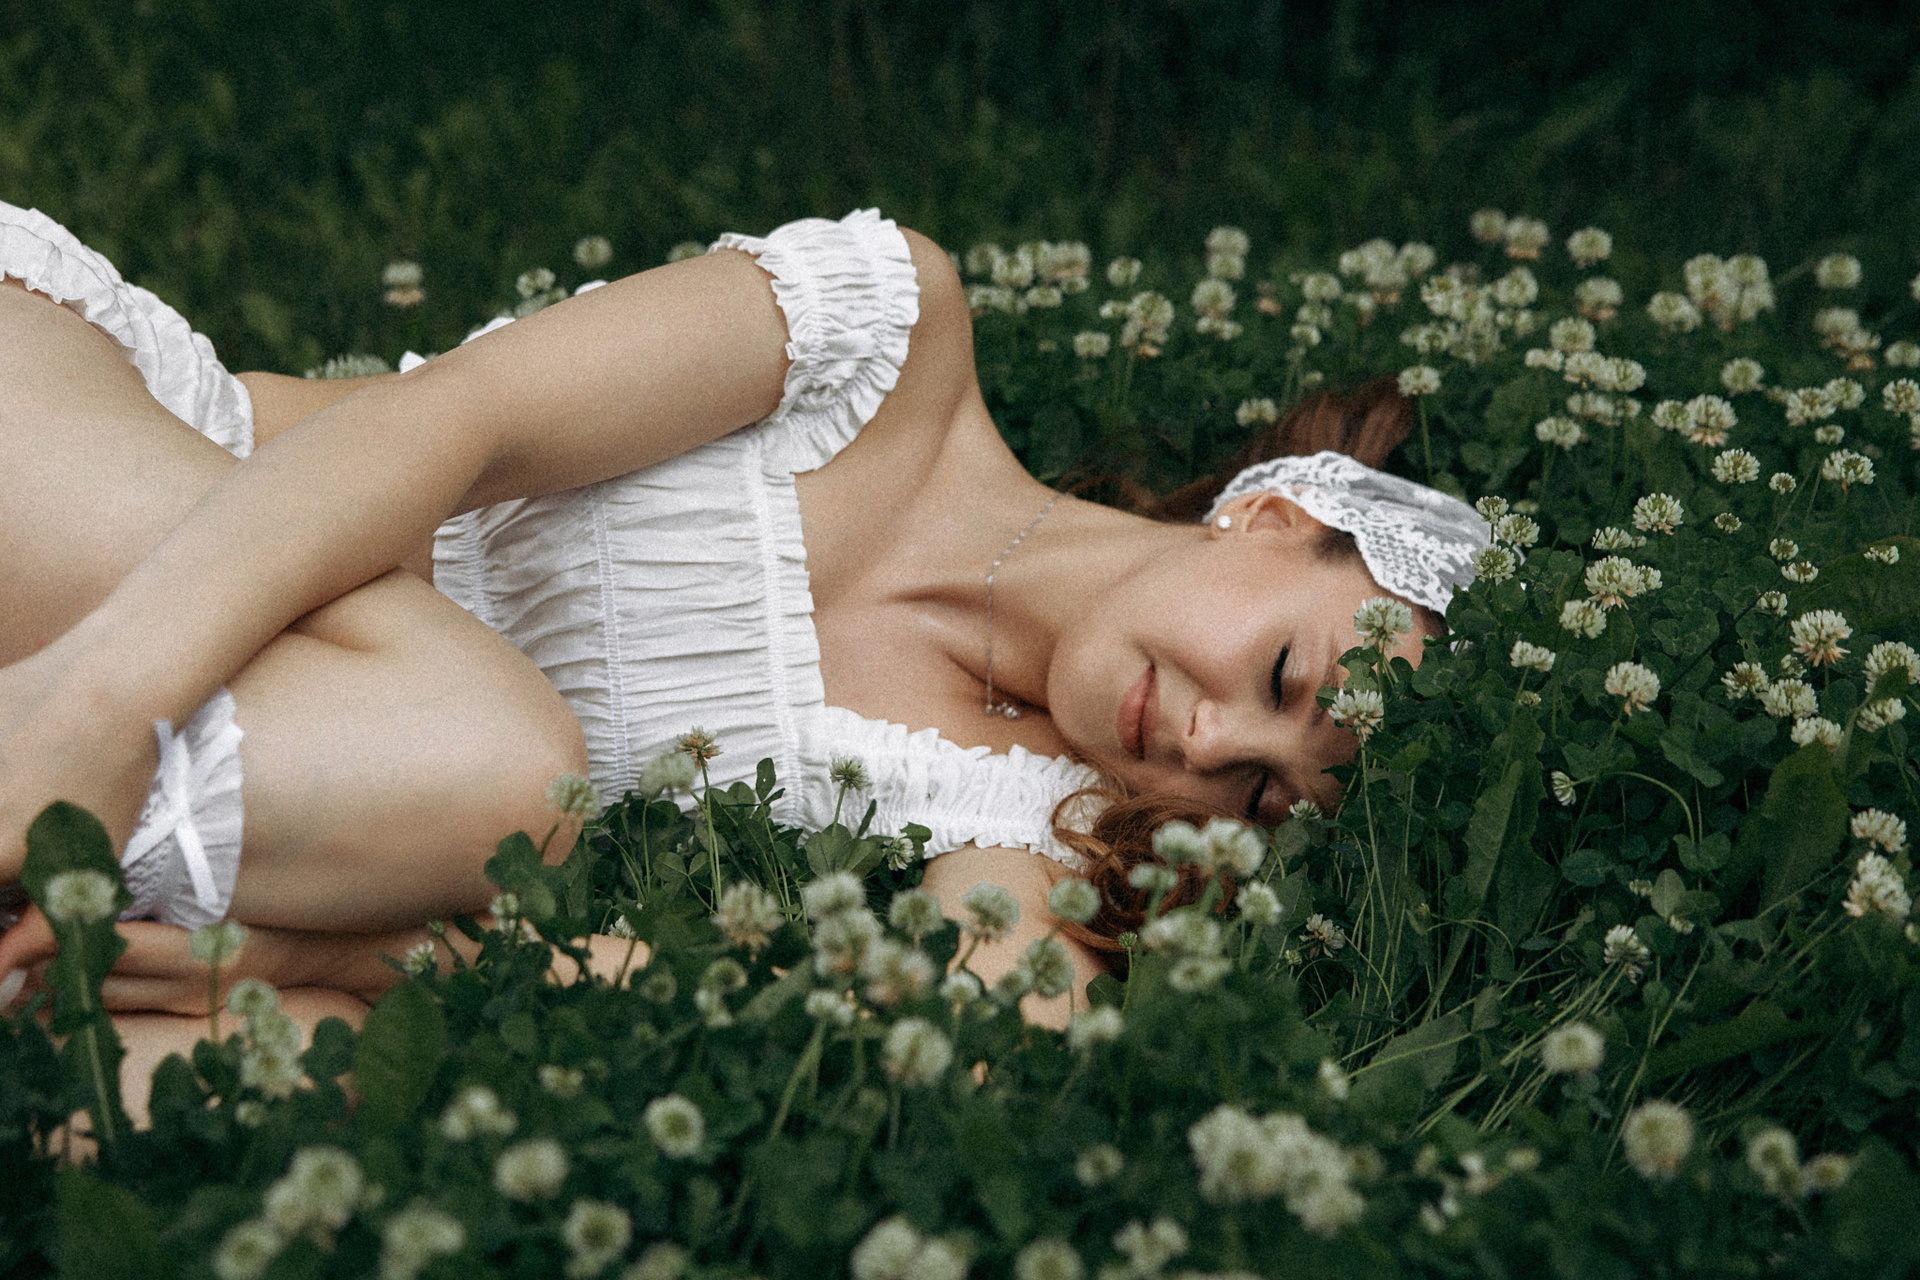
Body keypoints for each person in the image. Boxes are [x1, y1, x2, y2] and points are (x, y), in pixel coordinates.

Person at [0, 203, 1484, 1109]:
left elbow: (962, 1058)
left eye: (1267, 794)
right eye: (1284, 683)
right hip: (140, 484)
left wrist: (340, 954)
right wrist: (101, 707)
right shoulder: (887, 343)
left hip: (304, 791)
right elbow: (446, 423)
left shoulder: (1030, 830)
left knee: (259, 1084)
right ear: (1269, 518)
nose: (1213, 747)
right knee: (503, 780)